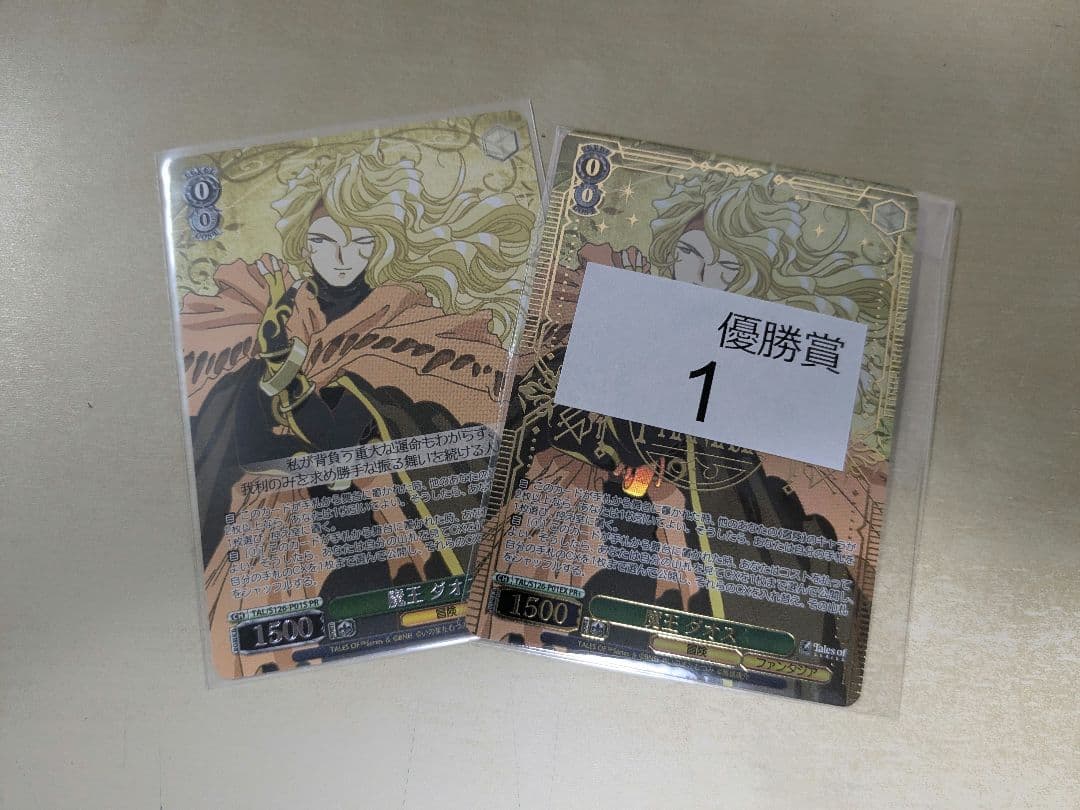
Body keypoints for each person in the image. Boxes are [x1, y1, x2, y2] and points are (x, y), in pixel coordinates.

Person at [489, 169, 890, 702]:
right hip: (605, 575)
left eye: (728, 265)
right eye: (689, 254)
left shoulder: (767, 379)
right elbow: (532, 411)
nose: (701, 276)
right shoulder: (617, 340)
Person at [180, 141, 534, 677]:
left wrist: (300, 388)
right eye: (323, 241)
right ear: (303, 245)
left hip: (391, 525)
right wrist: (273, 367)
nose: (341, 257)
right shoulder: (274, 324)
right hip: (278, 534)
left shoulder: (404, 323)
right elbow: (251, 448)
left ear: (382, 245)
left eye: (359, 241)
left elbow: (353, 439)